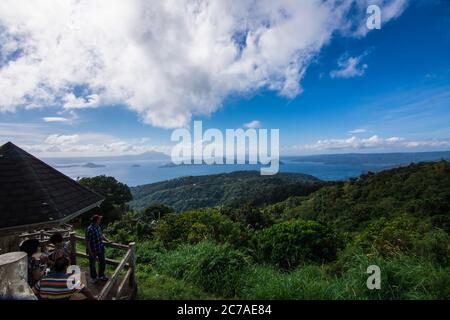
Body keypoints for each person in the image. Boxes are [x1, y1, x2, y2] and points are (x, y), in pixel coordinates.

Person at [85, 215, 110, 282]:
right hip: (93, 250)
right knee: (92, 265)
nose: (100, 220)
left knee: (102, 263)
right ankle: (94, 278)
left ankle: (101, 276)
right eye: (99, 219)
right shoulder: (89, 229)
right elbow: (87, 242)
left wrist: (108, 240)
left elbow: (101, 235)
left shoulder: (97, 227)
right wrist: (90, 252)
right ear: (96, 220)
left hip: (100, 248)